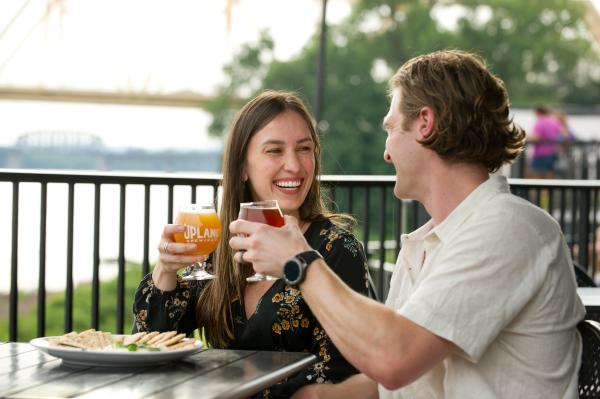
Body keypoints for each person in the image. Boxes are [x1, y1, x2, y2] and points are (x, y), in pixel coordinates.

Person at [229, 50, 585, 398]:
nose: (386, 152)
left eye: (391, 128)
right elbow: (393, 384)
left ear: (425, 124)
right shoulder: (428, 243)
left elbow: (394, 360)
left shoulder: (509, 229)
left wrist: (299, 262)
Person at [132, 90, 368, 398]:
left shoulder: (336, 248)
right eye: (274, 151)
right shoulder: (216, 247)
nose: (294, 166)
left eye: (304, 149)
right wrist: (165, 270)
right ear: (242, 166)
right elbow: (149, 348)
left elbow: (341, 370)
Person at [527, 105, 567, 179]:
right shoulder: (554, 121)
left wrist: (526, 138)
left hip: (540, 155)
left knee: (536, 178)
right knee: (549, 177)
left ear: (537, 112)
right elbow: (565, 134)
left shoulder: (539, 122)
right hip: (552, 153)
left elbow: (536, 138)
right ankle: (548, 190)